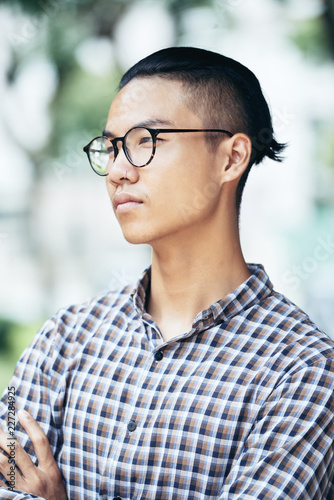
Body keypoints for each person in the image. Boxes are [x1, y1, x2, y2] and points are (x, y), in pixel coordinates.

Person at [0, 46, 333, 500]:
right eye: (113, 147)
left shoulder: (304, 371)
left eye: (145, 142)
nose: (118, 170)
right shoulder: (65, 338)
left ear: (231, 158)